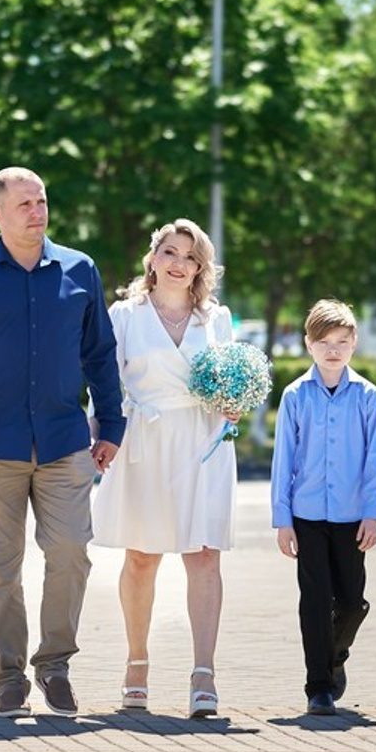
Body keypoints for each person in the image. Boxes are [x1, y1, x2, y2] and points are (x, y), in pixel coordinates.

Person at [0, 167, 125, 718]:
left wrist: (112, 423)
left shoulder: (79, 270)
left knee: (70, 554)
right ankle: (8, 675)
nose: (37, 210)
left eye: (42, 200)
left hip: (65, 442)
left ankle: (54, 665)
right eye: (26, 203)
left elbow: (100, 354)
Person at [92, 218, 237, 719]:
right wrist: (101, 432)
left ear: (201, 268)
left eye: (190, 257)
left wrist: (235, 402)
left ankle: (203, 674)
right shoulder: (124, 315)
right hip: (145, 441)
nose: (179, 264)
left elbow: (228, 379)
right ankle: (137, 663)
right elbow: (105, 380)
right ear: (152, 259)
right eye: (170, 253)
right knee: (141, 558)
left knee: (204, 558)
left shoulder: (215, 319)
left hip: (202, 441)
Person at [270, 298, 376, 716]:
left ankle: (335, 654)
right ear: (309, 344)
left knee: (352, 601)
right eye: (324, 342)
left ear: (354, 343)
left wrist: (373, 512)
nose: (333, 350)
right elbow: (283, 459)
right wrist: (282, 520)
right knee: (316, 601)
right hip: (306, 517)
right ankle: (318, 686)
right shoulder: (296, 395)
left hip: (351, 517)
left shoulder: (367, 397)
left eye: (342, 341)